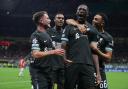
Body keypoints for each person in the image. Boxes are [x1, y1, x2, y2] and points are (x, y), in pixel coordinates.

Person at [61, 4, 99, 89]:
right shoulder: (68, 27)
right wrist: (64, 58)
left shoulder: (93, 30)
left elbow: (94, 52)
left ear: (88, 14)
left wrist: (98, 72)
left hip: (88, 65)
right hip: (72, 64)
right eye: (79, 9)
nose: (81, 11)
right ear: (76, 12)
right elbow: (63, 45)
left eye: (84, 10)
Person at [29, 11, 65, 89]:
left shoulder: (47, 35)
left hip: (48, 71)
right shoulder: (36, 35)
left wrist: (64, 58)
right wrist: (53, 51)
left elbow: (51, 50)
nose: (50, 20)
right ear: (41, 21)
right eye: (48, 18)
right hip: (39, 72)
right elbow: (35, 53)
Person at [92, 13, 114, 89]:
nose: (93, 20)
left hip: (100, 70)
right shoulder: (87, 32)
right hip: (85, 69)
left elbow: (108, 58)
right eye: (93, 18)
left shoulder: (108, 37)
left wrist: (96, 50)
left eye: (96, 19)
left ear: (102, 23)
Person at [47, 12, 65, 89]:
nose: (61, 19)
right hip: (51, 66)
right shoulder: (48, 31)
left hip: (63, 67)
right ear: (54, 20)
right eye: (59, 18)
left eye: (62, 18)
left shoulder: (66, 33)